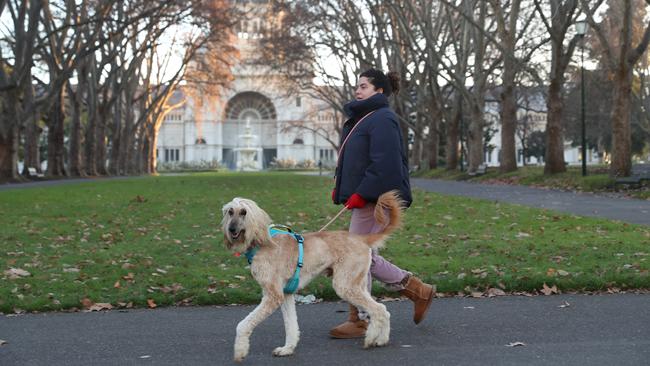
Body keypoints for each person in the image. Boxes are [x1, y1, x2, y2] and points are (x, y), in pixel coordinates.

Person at [330, 68, 435, 338]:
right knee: (364, 256)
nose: (357, 90)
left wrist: (361, 193)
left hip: (377, 200)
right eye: (357, 85)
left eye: (363, 86)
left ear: (379, 91)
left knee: (356, 256)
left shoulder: (382, 119)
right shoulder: (365, 119)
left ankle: (361, 319)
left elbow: (384, 165)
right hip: (366, 198)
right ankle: (418, 291)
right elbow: (356, 162)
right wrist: (341, 189)